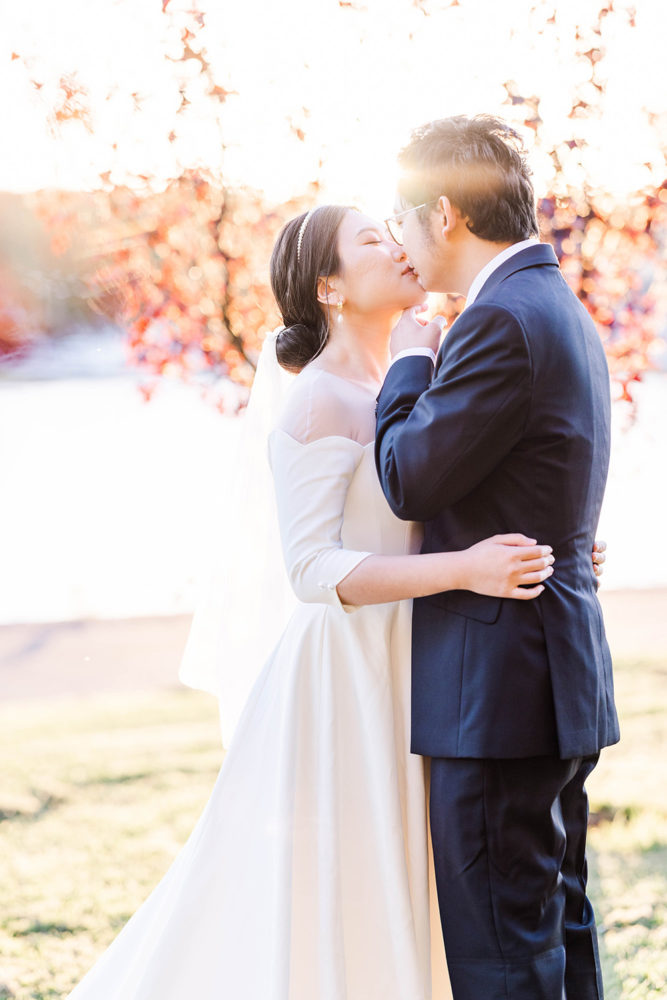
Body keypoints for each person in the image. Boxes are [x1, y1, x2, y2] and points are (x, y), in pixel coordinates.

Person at [65, 201, 606, 1000]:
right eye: (369, 240)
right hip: (349, 679)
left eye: (394, 233)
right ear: (329, 288)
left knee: (432, 886)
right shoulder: (317, 400)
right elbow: (314, 569)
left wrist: (554, 541)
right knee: (345, 884)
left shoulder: (413, 381)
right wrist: (463, 570)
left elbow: (448, 496)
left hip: (426, 663)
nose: (396, 246)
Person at [375, 114, 619, 1000]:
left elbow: (408, 476)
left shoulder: (497, 320)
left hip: (497, 688)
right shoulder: (557, 308)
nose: (398, 238)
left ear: (442, 213)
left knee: (500, 954)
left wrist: (408, 364)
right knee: (555, 928)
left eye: (400, 219)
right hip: (550, 677)